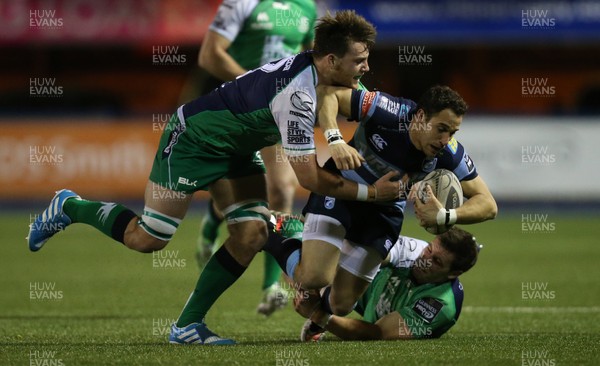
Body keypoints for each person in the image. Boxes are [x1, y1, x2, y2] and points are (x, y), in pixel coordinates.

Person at [27, 10, 400, 345]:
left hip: (236, 149)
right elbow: (310, 180)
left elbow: (375, 110)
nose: (366, 67)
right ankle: (70, 206)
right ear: (332, 60)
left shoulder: (331, 76)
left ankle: (187, 325)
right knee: (148, 238)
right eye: (360, 60)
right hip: (195, 140)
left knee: (252, 233)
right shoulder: (297, 96)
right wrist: (372, 193)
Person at [263, 84, 497, 325]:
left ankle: (314, 292)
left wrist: (446, 216)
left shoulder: (448, 153)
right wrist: (335, 139)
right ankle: (273, 231)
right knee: (313, 277)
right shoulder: (390, 111)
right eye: (441, 129)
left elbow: (488, 205)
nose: (445, 140)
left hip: (384, 212)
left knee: (341, 305)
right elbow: (330, 95)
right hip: (344, 190)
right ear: (419, 117)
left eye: (453, 132)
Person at [193, 0, 319, 317]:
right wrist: (253, 86)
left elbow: (314, 60)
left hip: (277, 112)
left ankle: (270, 286)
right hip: (235, 108)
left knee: (281, 189)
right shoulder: (241, 3)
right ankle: (212, 222)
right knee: (238, 181)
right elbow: (210, 55)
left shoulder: (307, 7)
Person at [294, 227, 481, 341]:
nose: (425, 259)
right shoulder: (414, 250)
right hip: (364, 289)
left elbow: (378, 332)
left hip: (372, 310)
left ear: (454, 274)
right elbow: (364, 249)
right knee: (310, 264)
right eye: (429, 249)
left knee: (310, 280)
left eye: (437, 261)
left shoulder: (440, 304)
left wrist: (319, 316)